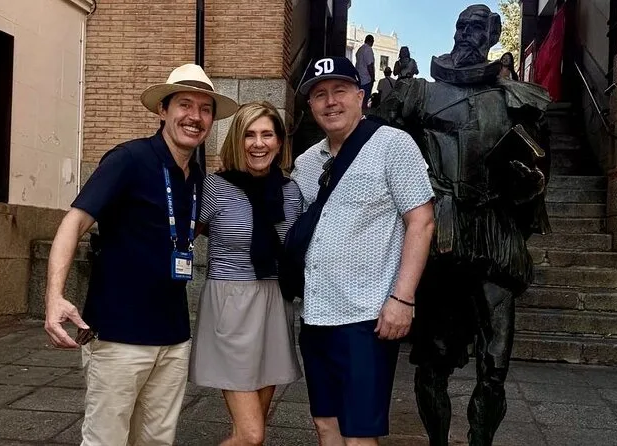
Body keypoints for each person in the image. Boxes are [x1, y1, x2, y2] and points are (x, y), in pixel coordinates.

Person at [378, 6, 550, 446]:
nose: (466, 34)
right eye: (461, 26)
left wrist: (530, 187)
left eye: (476, 27)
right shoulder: (417, 94)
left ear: (493, 35)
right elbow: (377, 154)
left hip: (495, 238)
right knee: (432, 361)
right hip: (443, 239)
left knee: (495, 365)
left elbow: (533, 180)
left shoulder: (518, 101)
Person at [43, 64, 238, 446]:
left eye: (205, 109)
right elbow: (73, 222)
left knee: (156, 441)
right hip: (119, 335)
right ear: (163, 110)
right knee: (106, 440)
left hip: (173, 338)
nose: (195, 116)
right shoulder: (128, 159)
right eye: (185, 104)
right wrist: (54, 296)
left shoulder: (197, 177)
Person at [290, 56, 435, 446]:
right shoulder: (306, 163)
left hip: (366, 317)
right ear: (310, 105)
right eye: (319, 94)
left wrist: (402, 298)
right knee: (326, 424)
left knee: (359, 434)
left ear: (360, 96)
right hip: (315, 315)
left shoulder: (392, 144)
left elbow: (421, 222)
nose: (330, 101)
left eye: (339, 90)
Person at [188, 101, 302, 445]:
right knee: (251, 435)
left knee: (251, 433)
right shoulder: (214, 187)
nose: (258, 143)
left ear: (279, 142)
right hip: (231, 303)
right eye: (249, 135)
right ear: (237, 140)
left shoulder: (291, 192)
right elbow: (184, 236)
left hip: (275, 302)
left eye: (267, 134)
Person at [355, 34, 375, 110]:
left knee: (359, 100)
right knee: (364, 101)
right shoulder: (368, 49)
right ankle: (363, 116)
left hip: (359, 78)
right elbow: (370, 65)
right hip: (366, 79)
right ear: (372, 41)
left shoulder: (359, 50)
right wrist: (372, 78)